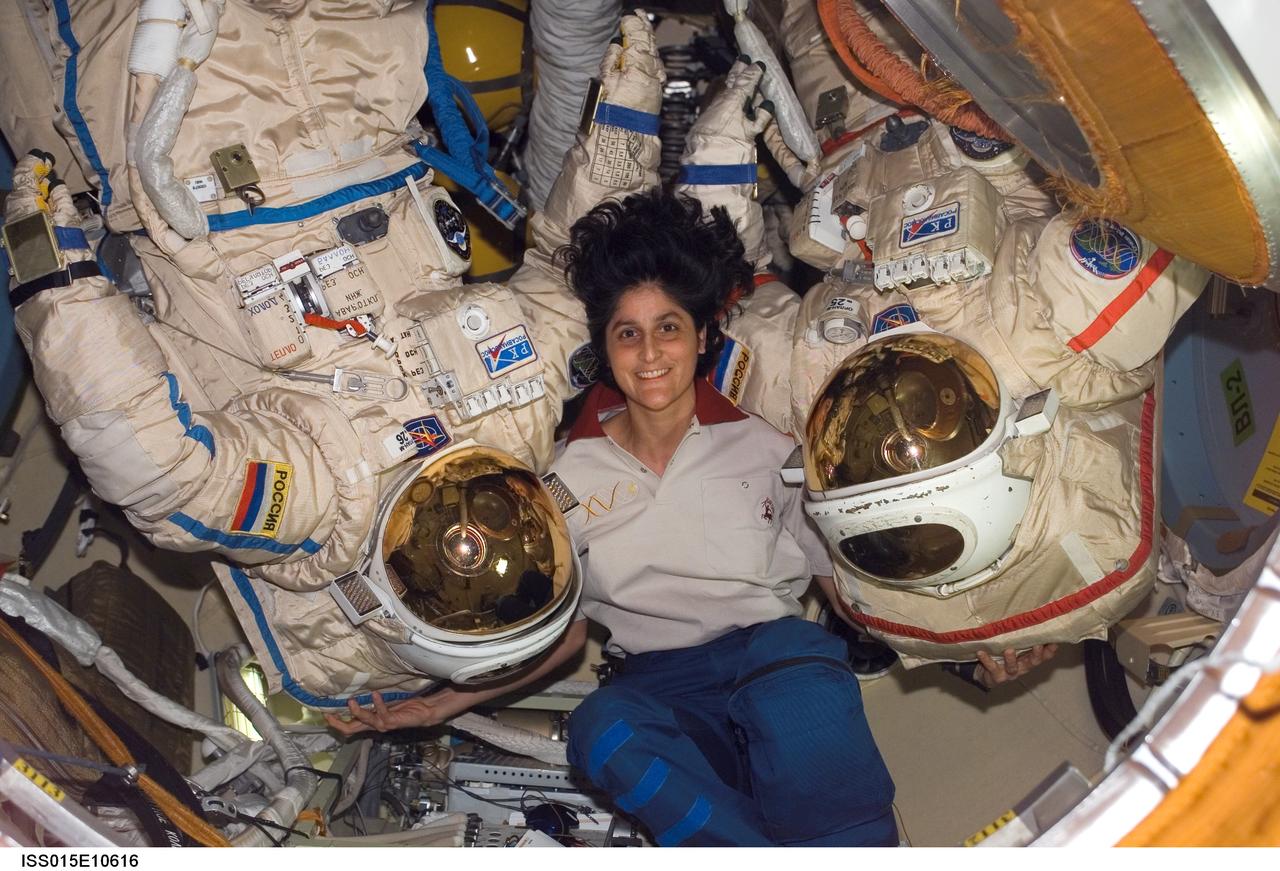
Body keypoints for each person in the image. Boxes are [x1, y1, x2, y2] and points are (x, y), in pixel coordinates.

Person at [329, 188, 898, 846]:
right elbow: (564, 639)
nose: (649, 352)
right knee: (602, 726)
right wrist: (436, 705)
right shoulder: (561, 478)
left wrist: (965, 652)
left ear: (704, 334)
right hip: (662, 693)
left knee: (796, 658)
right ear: (606, 345)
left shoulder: (770, 444)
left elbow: (848, 592)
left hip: (773, 670)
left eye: (669, 328)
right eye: (628, 332)